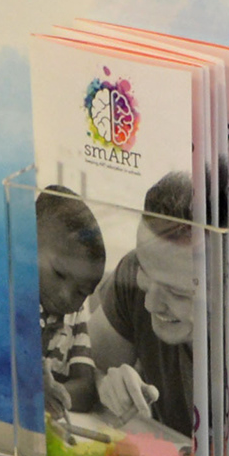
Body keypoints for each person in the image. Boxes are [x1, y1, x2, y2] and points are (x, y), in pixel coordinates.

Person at [77, 174, 204, 438]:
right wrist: (106, 385)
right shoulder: (132, 273)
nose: (149, 303)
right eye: (145, 273)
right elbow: (80, 368)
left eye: (178, 293)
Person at [34, 191, 107, 424]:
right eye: (58, 273)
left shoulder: (75, 314)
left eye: (82, 291)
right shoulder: (11, 299)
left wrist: (55, 395)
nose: (66, 296)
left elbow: (86, 388)